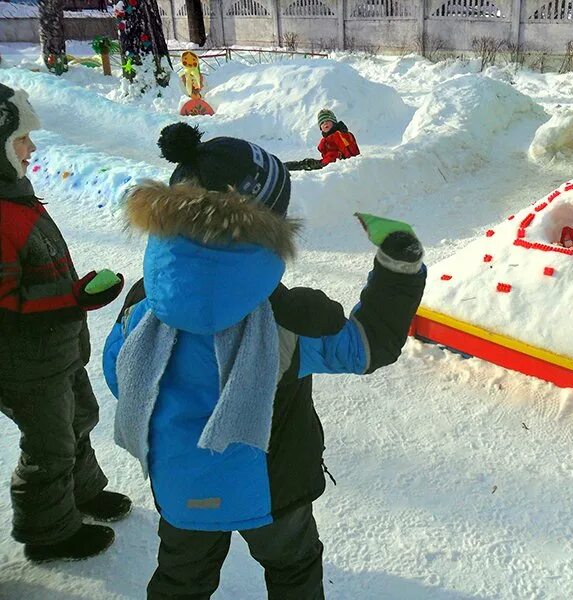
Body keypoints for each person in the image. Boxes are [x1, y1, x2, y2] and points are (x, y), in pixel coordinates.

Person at [103, 122, 425, 599]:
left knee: (180, 578)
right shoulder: (285, 324)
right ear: (266, 232)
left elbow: (119, 375)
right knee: (293, 571)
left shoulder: (142, 308)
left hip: (180, 487)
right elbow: (367, 346)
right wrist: (399, 272)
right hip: (275, 493)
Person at [0, 83, 130, 563]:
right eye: (20, 140)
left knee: (78, 419)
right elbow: (5, 300)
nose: (31, 149)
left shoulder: (13, 194)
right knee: (49, 445)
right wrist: (74, 296)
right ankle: (48, 533)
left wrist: (76, 297)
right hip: (23, 362)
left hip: (55, 349)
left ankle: (82, 494)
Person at [285, 108, 361, 171]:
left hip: (334, 165)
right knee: (305, 163)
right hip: (327, 163)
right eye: (322, 122)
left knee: (307, 164)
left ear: (334, 123)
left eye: (328, 121)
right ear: (320, 128)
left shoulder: (340, 134)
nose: (325, 123)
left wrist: (343, 133)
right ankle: (283, 167)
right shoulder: (326, 140)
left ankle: (285, 167)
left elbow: (349, 153)